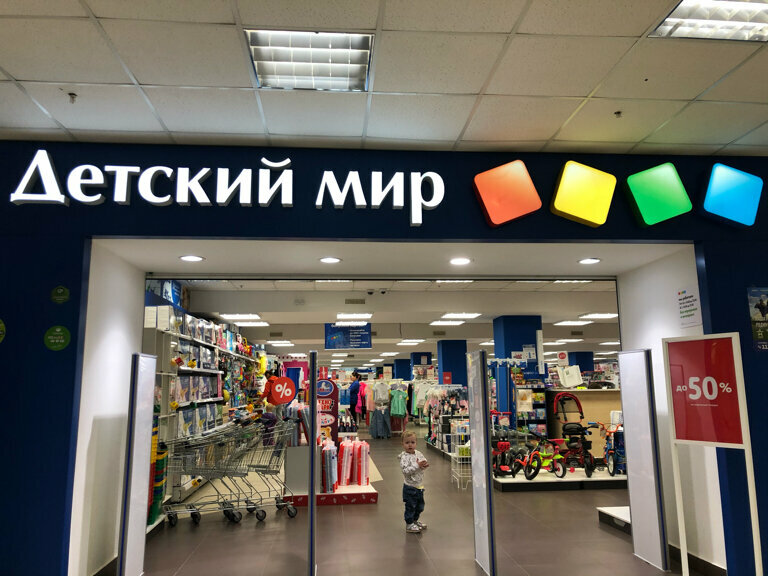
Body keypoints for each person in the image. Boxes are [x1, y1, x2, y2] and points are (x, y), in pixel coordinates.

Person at [398, 430, 429, 533]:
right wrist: (417, 465)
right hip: (409, 487)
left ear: (416, 443)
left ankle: (415, 520)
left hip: (419, 485)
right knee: (410, 506)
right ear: (402, 444)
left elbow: (422, 462)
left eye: (412, 442)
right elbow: (405, 471)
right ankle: (409, 524)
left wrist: (424, 465)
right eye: (407, 442)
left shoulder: (418, 453)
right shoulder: (404, 457)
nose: (410, 445)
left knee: (420, 506)